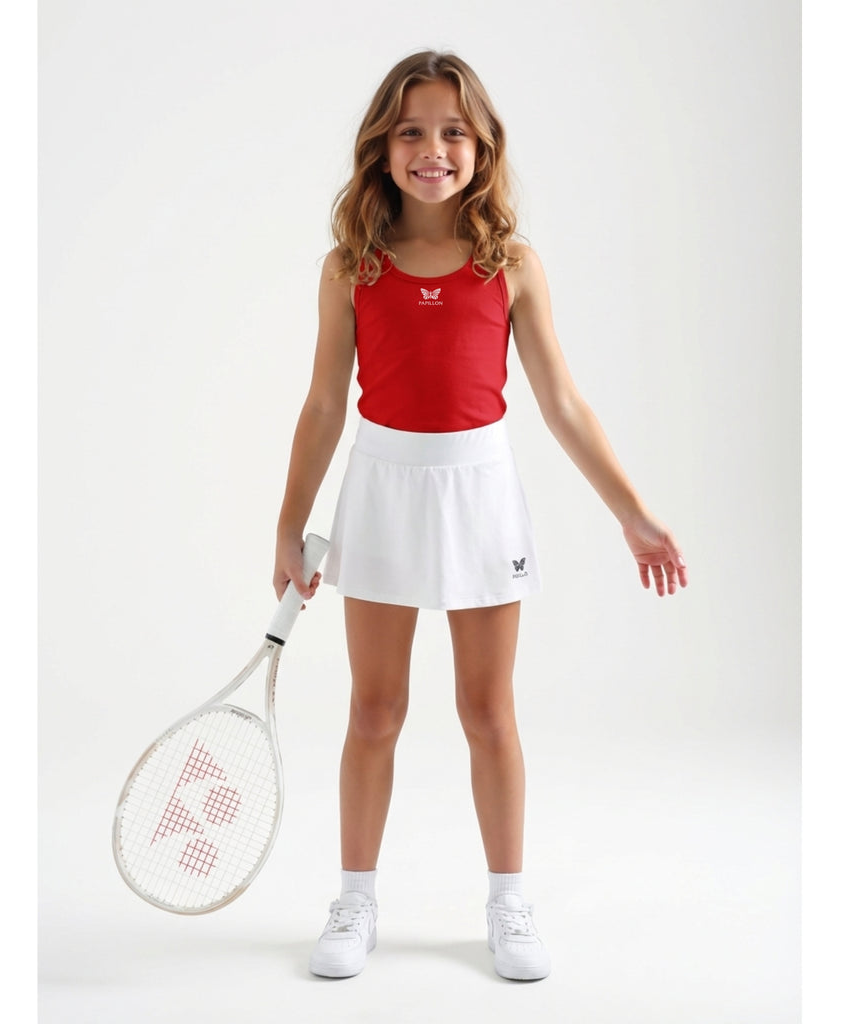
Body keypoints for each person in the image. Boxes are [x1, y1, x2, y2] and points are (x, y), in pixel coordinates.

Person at [273, 50, 688, 982]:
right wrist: (289, 524)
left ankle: (508, 903)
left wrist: (633, 515)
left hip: (480, 495)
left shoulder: (513, 265)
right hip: (382, 492)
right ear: (382, 149)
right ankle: (355, 900)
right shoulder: (351, 267)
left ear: (483, 146)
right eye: (412, 132)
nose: (433, 149)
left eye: (453, 131)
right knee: (374, 709)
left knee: (488, 711)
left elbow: (562, 403)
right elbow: (324, 405)